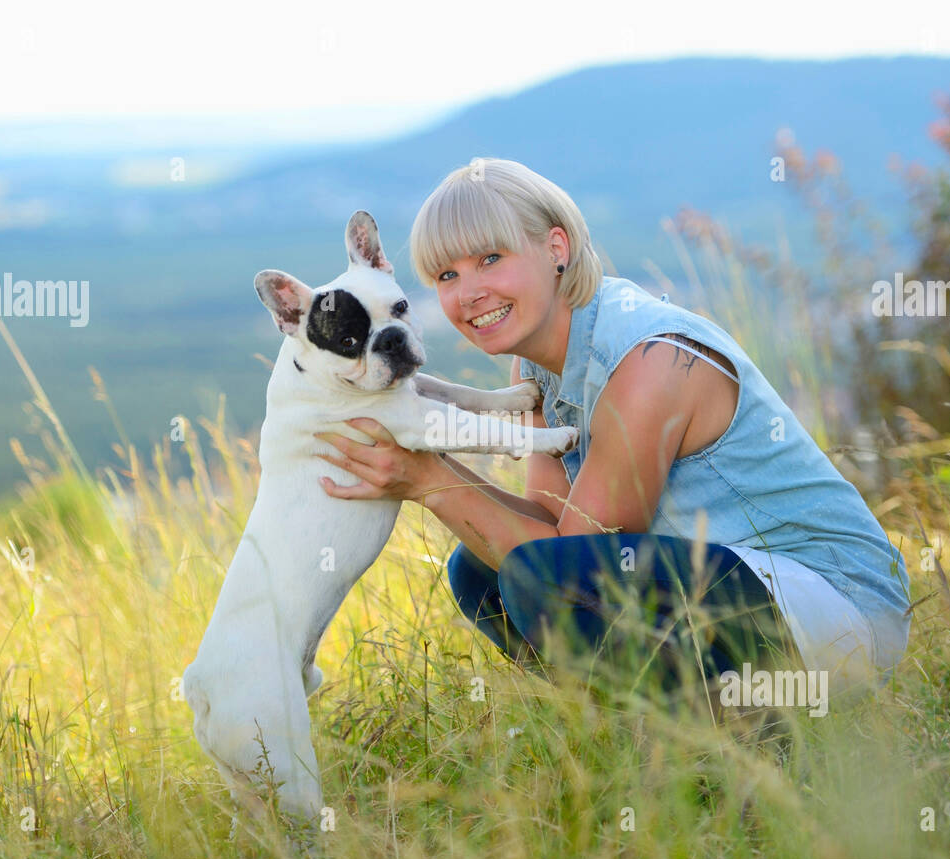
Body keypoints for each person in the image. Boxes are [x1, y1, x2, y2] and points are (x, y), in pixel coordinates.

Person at [314, 156, 912, 699]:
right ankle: (654, 735)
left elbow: (568, 554)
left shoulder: (649, 360)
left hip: (843, 610)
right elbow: (548, 518)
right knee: (481, 570)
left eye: (490, 259)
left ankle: (748, 737)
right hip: (753, 587)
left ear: (556, 248)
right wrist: (429, 463)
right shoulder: (543, 364)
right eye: (445, 276)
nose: (470, 293)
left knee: (541, 576)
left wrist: (427, 480)